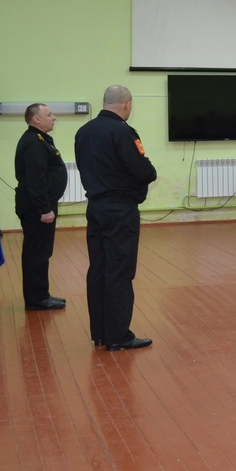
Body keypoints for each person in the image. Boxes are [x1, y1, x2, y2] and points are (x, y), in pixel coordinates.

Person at [74, 85, 157, 351]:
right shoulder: (123, 132)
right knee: (120, 270)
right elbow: (142, 170)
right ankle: (119, 336)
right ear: (127, 104)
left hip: (96, 207)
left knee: (98, 269)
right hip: (120, 210)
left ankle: (100, 333)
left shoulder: (84, 131)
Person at [14, 103, 69, 310]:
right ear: (36, 119)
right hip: (36, 207)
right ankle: (37, 298)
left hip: (39, 204)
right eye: (49, 114)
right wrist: (44, 208)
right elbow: (35, 180)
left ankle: (40, 294)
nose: (53, 117)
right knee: (37, 252)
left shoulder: (39, 139)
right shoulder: (34, 143)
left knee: (40, 251)